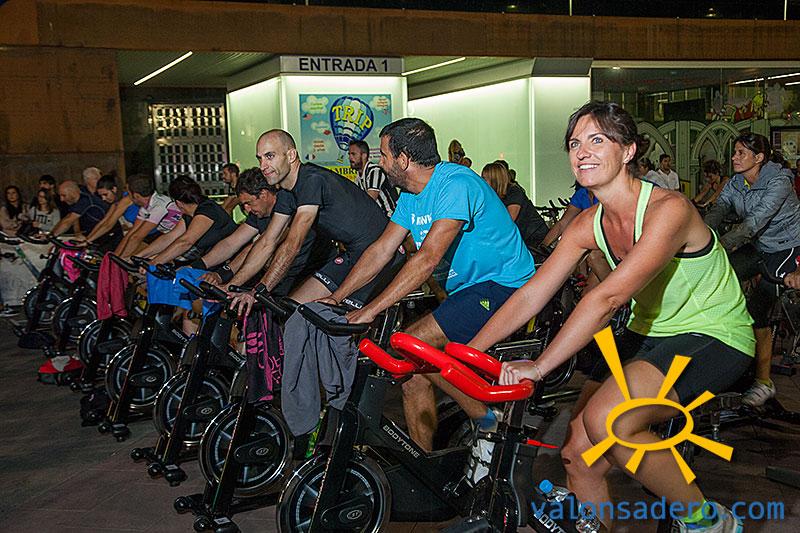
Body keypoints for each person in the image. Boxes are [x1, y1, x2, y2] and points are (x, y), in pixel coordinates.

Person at [471, 101, 753, 532]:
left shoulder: (669, 209)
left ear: (628, 150)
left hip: (714, 333)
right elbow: (532, 293)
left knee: (611, 421)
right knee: (577, 457)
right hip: (648, 333)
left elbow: (609, 297)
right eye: (574, 144)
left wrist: (540, 367)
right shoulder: (589, 223)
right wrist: (469, 351)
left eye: (597, 140)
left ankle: (708, 522)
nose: (582, 151)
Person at [324, 118, 535, 453]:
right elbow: (381, 249)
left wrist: (370, 310)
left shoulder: (455, 184)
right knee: (413, 374)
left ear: (403, 159)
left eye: (384, 155)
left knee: (412, 343)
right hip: (467, 290)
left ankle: (488, 423)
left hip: (504, 286)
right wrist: (337, 297)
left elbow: (427, 259)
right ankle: (423, 464)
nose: (381, 163)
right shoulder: (410, 196)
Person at [227, 129, 402, 313]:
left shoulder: (312, 180)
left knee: (332, 320)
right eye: (260, 159)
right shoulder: (286, 193)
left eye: (270, 156)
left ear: (291, 155)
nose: (263, 166)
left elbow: (293, 244)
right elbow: (267, 242)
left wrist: (258, 291)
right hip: (354, 254)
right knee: (294, 313)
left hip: (381, 254)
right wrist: (231, 286)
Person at [705, 132, 800, 408]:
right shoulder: (736, 182)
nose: (734, 158)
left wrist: (717, 245)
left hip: (787, 248)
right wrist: (701, 234)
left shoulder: (779, 181)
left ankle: (764, 382)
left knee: (759, 309)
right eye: (734, 152)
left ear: (758, 158)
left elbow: (753, 223)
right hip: (759, 246)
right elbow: (719, 209)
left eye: (741, 153)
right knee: (720, 276)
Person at [199, 167, 335, 296]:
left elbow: (261, 246)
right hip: (286, 270)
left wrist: (227, 281)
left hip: (315, 270)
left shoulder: (289, 206)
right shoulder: (259, 212)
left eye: (248, 203)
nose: (246, 209)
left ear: (263, 194)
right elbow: (232, 242)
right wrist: (200, 266)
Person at [137, 176, 237, 265]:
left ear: (178, 203)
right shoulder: (190, 214)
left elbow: (185, 242)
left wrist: (155, 262)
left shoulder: (207, 210)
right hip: (216, 261)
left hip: (231, 262)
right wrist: (140, 255)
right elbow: (169, 237)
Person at [480, 162, 548, 254]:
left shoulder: (514, 192)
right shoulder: (494, 197)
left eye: (484, 178)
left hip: (534, 237)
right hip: (523, 238)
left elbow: (508, 220)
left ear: (494, 179)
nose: (481, 181)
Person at [115, 174, 183, 259]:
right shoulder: (146, 206)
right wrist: (116, 256)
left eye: (128, 193)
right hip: (173, 239)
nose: (128, 196)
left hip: (185, 243)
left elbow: (138, 237)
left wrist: (121, 259)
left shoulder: (159, 206)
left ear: (136, 195)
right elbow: (132, 233)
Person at [51, 181, 121, 251]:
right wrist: (78, 233)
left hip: (110, 235)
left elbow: (68, 221)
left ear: (72, 192)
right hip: (97, 233)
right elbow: (72, 218)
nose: (61, 199)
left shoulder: (85, 200)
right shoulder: (76, 199)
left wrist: (51, 235)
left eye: (64, 195)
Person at [348, 140, 399, 216]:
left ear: (364, 155)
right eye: (349, 154)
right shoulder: (358, 177)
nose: (350, 158)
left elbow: (370, 199)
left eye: (353, 154)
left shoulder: (375, 170)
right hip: (378, 217)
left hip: (390, 216)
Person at [79, 174, 130, 247]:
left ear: (114, 189)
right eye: (101, 196)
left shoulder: (126, 199)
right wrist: (88, 239)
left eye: (105, 194)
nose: (103, 198)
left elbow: (108, 225)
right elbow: (103, 222)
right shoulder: (115, 203)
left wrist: (88, 241)